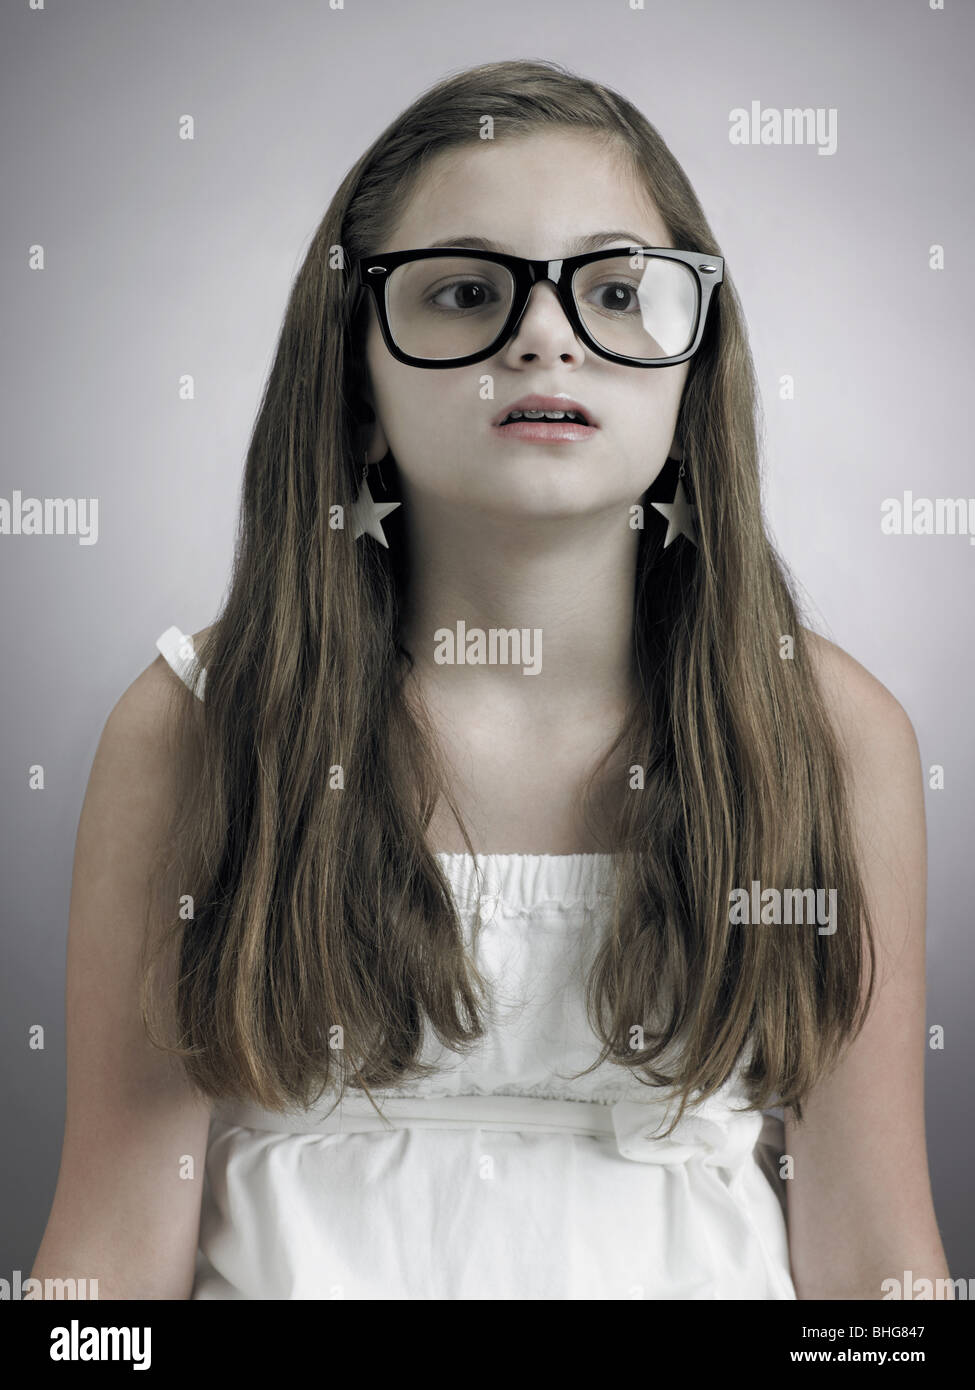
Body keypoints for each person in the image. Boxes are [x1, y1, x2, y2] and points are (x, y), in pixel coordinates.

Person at [31, 59, 951, 1300]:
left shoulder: (831, 737)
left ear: (690, 373)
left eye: (616, 289)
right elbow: (103, 1268)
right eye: (466, 290)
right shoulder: (195, 733)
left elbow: (875, 1261)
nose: (543, 331)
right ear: (358, 384)